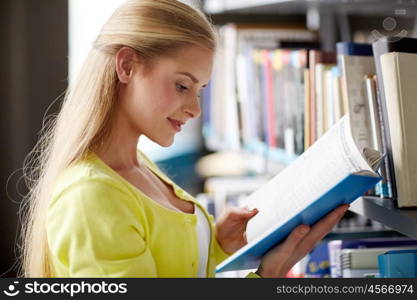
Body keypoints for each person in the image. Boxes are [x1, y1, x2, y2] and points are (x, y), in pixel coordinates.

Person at [20, 0, 349, 278]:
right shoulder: (91, 196)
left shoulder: (138, 166)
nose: (194, 109)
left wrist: (214, 244)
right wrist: (266, 277)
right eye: (182, 86)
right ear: (127, 66)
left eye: (201, 90)